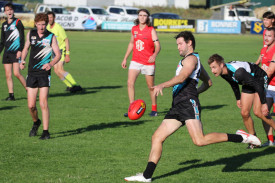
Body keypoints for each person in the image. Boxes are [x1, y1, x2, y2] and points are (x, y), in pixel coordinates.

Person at [124, 31, 261, 182]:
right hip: (178, 105)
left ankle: (242, 137)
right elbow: (208, 82)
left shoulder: (191, 60)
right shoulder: (195, 60)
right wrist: (195, 92)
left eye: (180, 43)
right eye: (177, 44)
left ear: (189, 43)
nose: (178, 47)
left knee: (199, 140)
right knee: (157, 137)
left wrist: (165, 85)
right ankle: (146, 176)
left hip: (187, 105)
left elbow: (182, 77)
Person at [208, 53, 275, 148]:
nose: (212, 71)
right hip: (248, 81)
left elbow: (256, 85)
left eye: (214, 67)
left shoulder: (238, 73)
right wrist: (238, 98)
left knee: (258, 112)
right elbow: (233, 83)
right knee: (244, 113)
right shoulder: (223, 72)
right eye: (211, 68)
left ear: (222, 65)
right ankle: (254, 141)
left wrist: (264, 103)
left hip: (259, 79)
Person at [20, 13, 61, 140]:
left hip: (44, 73)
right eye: (39, 24)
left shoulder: (51, 36)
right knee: (31, 105)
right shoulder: (31, 34)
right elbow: (26, 48)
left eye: (44, 24)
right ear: (35, 24)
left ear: (46, 24)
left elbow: (58, 54)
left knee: (43, 102)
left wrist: (51, 63)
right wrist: (22, 60)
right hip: (32, 72)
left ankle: (45, 132)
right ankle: (36, 122)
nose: (42, 27)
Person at [121, 9, 161, 117]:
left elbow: (158, 46)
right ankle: (131, 108)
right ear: (138, 17)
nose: (142, 17)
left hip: (148, 62)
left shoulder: (151, 30)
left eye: (144, 15)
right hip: (135, 60)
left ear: (147, 17)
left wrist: (154, 55)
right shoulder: (134, 29)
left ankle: (154, 109)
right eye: (140, 15)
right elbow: (131, 43)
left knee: (150, 87)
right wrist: (125, 58)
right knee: (130, 83)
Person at [46, 11, 82, 93]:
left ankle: (76, 85)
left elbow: (66, 40)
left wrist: (67, 54)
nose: (49, 19)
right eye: (48, 17)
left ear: (54, 18)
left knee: (60, 69)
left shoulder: (58, 27)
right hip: (53, 51)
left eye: (51, 17)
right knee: (56, 71)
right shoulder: (47, 27)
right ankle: (69, 86)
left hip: (61, 50)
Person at [0, 3, 26, 100]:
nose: (9, 11)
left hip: (16, 52)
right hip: (7, 53)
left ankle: (29, 89)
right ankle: (11, 95)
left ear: (13, 11)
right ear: (5, 12)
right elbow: (2, 41)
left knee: (17, 73)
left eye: (10, 9)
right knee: (8, 75)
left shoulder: (18, 22)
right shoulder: (4, 25)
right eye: (7, 10)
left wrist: (20, 50)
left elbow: (22, 38)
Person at [258, 27, 275, 146]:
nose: (266, 38)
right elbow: (262, 68)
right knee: (264, 113)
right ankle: (270, 140)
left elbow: (269, 72)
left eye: (269, 36)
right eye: (265, 35)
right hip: (268, 88)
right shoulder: (264, 50)